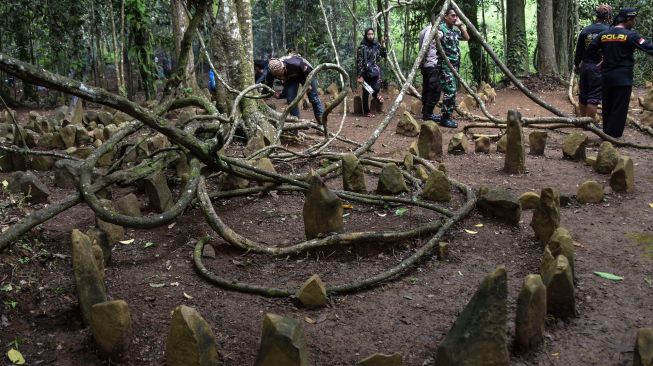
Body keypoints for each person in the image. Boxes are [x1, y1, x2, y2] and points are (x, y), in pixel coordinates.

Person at [586, 8, 653, 138]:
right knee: (619, 107)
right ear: (628, 20)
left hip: (606, 77)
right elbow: (650, 48)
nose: (634, 22)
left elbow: (590, 50)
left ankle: (606, 134)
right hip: (623, 78)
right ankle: (614, 136)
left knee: (607, 105)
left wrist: (601, 60)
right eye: (633, 20)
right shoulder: (631, 35)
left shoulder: (604, 35)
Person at [573, 4, 612, 121]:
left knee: (583, 95)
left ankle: (582, 121)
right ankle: (589, 124)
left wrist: (576, 65)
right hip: (598, 67)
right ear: (608, 16)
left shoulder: (586, 30)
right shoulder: (609, 31)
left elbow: (579, 50)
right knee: (594, 97)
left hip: (585, 66)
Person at [435, 7, 469, 128]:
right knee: (450, 90)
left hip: (455, 66)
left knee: (453, 91)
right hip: (445, 66)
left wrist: (460, 25)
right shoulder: (441, 29)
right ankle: (445, 118)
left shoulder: (454, 30)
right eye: (452, 16)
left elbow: (466, 38)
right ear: (446, 17)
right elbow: (437, 38)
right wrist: (437, 34)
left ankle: (447, 115)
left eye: (456, 16)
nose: (455, 18)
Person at [263, 55, 324, 123]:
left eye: (280, 74)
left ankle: (322, 123)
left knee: (313, 98)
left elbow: (308, 72)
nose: (280, 77)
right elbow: (267, 86)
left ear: (283, 67)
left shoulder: (296, 64)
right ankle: (295, 123)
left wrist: (308, 84)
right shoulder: (270, 72)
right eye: (277, 76)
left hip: (305, 73)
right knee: (291, 100)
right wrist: (263, 97)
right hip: (290, 78)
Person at [356, 28, 387, 117]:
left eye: (372, 34)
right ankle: (366, 112)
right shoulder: (362, 47)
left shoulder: (376, 45)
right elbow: (359, 61)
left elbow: (384, 55)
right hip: (365, 72)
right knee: (365, 93)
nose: (370, 36)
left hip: (374, 72)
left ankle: (375, 95)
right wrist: (360, 75)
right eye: (369, 34)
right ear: (366, 35)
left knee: (376, 88)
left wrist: (383, 44)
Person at [419, 20, 441, 122]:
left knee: (427, 88)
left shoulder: (426, 29)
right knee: (434, 90)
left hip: (426, 64)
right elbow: (425, 45)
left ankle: (426, 111)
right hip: (431, 64)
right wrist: (424, 61)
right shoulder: (430, 30)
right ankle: (428, 114)